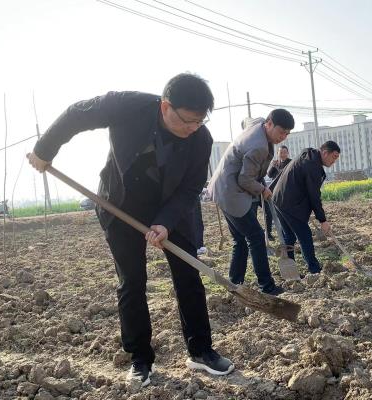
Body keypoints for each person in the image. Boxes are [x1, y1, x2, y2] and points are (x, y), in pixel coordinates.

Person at [27, 73, 234, 386]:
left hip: (171, 208)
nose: (194, 129)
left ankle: (201, 350)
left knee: (189, 276)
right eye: (189, 121)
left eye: (200, 122)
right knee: (132, 281)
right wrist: (45, 150)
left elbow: (191, 187)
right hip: (120, 205)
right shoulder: (127, 106)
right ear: (166, 106)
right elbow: (76, 114)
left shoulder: (200, 139)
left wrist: (165, 222)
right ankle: (140, 358)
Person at [208, 109, 294, 295]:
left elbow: (246, 121)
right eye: (281, 132)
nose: (283, 137)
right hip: (232, 192)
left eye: (287, 134)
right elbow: (244, 180)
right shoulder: (258, 147)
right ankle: (267, 286)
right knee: (255, 237)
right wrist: (263, 189)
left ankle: (234, 283)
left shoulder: (258, 123)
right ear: (269, 124)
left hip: (222, 186)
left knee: (240, 239)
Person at [272, 141, 340, 274]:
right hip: (289, 203)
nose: (334, 161)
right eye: (334, 157)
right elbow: (314, 195)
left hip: (279, 198)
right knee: (305, 236)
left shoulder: (308, 154)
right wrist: (323, 220)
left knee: (289, 236)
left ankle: (290, 269)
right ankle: (314, 269)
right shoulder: (312, 166)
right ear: (325, 153)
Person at [263, 145, 292, 240]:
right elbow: (270, 175)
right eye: (280, 152)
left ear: (287, 153)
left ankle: (288, 232)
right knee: (273, 212)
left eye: (284, 152)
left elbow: (288, 176)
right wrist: (272, 166)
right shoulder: (276, 163)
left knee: (286, 213)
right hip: (275, 192)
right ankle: (270, 233)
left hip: (287, 192)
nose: (282, 154)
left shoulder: (291, 163)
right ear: (278, 153)